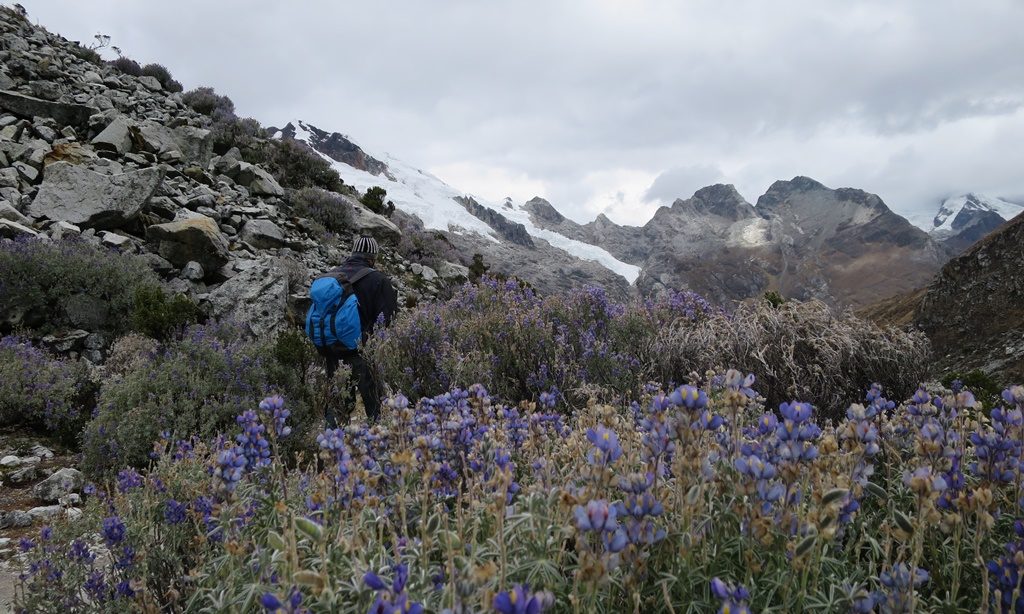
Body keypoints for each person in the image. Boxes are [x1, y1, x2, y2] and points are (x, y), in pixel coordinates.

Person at [319, 236, 397, 426]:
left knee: (337, 397)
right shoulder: (378, 280)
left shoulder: (331, 276)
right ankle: (376, 439)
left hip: (330, 347)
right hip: (360, 350)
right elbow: (388, 317)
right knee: (372, 401)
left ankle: (330, 443)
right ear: (372, 257)